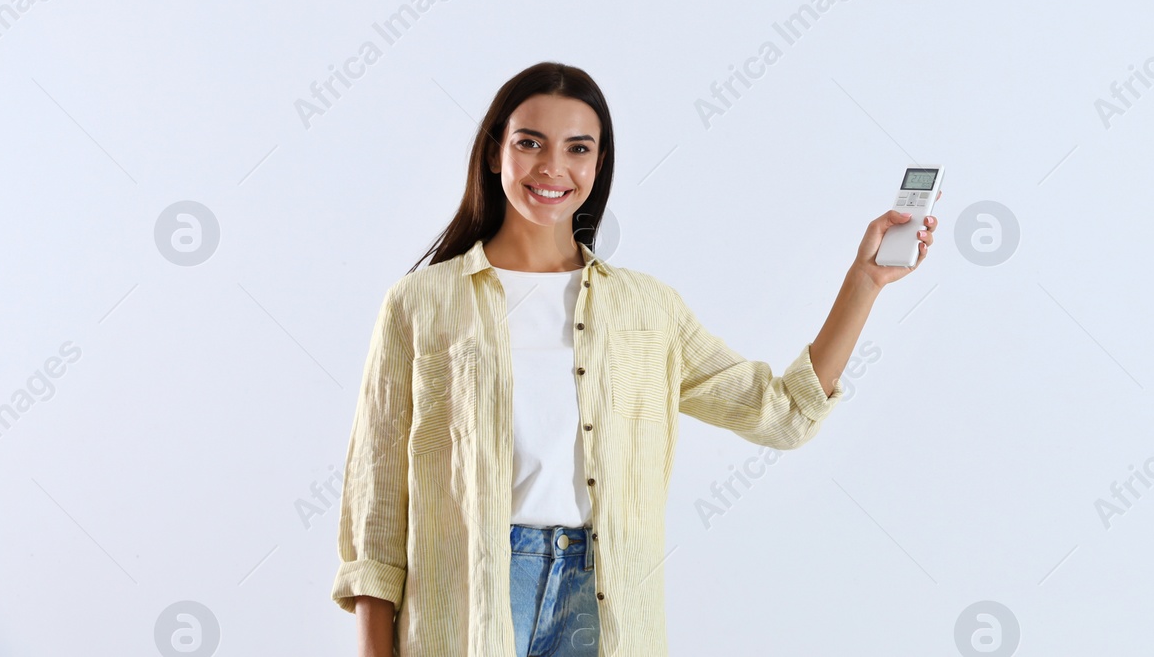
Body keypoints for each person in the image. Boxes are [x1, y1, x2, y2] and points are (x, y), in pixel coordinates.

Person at [331, 62, 935, 657]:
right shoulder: (421, 303)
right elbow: (376, 505)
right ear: (496, 154)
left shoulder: (647, 310)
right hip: (464, 604)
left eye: (577, 148)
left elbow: (781, 413)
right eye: (530, 143)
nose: (552, 167)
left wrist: (865, 282)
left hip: (600, 601)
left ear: (598, 165)